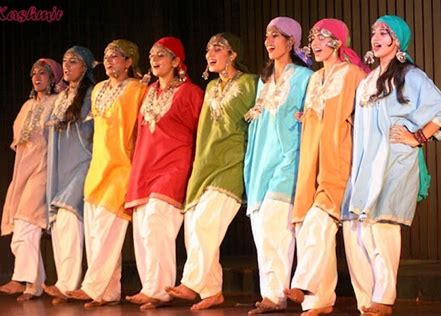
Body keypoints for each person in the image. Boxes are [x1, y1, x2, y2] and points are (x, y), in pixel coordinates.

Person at [341, 15, 441, 315]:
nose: (376, 37)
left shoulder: (411, 77)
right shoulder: (367, 81)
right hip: (366, 164)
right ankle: (366, 301)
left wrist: (417, 136)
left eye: (384, 32)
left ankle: (384, 297)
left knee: (383, 227)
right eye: (374, 31)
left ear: (398, 41)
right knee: (357, 231)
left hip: (395, 161)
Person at [165, 33, 257, 310]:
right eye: (208, 49)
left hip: (231, 164)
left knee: (206, 224)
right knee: (195, 230)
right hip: (205, 165)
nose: (210, 54)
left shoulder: (250, 83)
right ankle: (212, 290)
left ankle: (191, 282)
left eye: (218, 48)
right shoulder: (211, 88)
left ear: (233, 54)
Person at [283, 19, 367, 316]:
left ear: (337, 42)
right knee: (309, 227)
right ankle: (319, 300)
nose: (315, 44)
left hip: (339, 160)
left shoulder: (354, 74)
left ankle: (303, 282)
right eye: (313, 39)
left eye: (322, 38)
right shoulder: (315, 79)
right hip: (311, 163)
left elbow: (365, 117)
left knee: (319, 221)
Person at [66, 39, 147, 307]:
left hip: (122, 167)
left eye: (116, 56)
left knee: (108, 233)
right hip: (97, 168)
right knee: (95, 234)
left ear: (129, 61)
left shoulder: (138, 89)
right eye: (106, 56)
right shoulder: (98, 89)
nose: (110, 60)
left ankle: (91, 286)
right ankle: (109, 291)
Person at [124, 37, 203, 310]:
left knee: (157, 223)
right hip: (145, 166)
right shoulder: (148, 92)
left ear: (176, 61)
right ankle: (151, 287)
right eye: (152, 54)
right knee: (143, 228)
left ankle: (160, 288)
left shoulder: (191, 92)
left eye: (161, 54)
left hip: (175, 165)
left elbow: (200, 135)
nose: (154, 59)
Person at [243, 16, 313, 314]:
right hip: (261, 161)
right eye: (267, 35)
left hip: (289, 158)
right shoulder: (264, 80)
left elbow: (313, 112)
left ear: (291, 41)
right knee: (262, 229)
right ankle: (271, 293)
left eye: (276, 35)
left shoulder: (303, 77)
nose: (269, 41)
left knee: (276, 224)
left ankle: (280, 293)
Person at [0, 58, 63, 301]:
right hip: (23, 168)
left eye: (43, 73)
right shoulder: (26, 106)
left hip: (44, 169)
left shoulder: (57, 103)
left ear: (53, 78)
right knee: (22, 225)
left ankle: (20, 278)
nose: (37, 77)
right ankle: (33, 285)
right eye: (34, 72)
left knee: (27, 220)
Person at [42, 46, 96, 304]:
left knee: (69, 218)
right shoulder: (62, 97)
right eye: (64, 61)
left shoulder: (91, 94)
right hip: (61, 166)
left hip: (84, 161)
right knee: (60, 222)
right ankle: (64, 282)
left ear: (85, 67)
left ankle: (68, 282)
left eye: (73, 61)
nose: (67, 66)